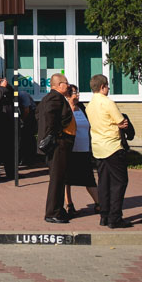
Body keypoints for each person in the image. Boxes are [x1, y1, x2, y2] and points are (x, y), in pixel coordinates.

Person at [86, 74, 131, 229]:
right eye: (107, 86)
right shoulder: (108, 102)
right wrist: (120, 124)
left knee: (103, 182)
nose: (108, 89)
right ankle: (115, 217)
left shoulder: (89, 105)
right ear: (102, 87)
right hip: (112, 146)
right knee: (119, 182)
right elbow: (121, 122)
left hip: (98, 147)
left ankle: (104, 216)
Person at [37, 73, 76, 223]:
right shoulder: (55, 98)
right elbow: (49, 118)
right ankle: (52, 213)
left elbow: (38, 115)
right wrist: (55, 133)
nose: (68, 85)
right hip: (58, 144)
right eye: (66, 83)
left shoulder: (49, 98)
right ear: (59, 85)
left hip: (60, 143)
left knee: (60, 178)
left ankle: (58, 210)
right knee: (57, 179)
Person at [65, 84, 99, 216]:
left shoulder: (82, 107)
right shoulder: (65, 108)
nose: (77, 95)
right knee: (67, 179)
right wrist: (71, 107)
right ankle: (69, 204)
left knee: (89, 178)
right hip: (70, 149)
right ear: (68, 95)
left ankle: (99, 203)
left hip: (84, 149)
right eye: (74, 93)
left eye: (77, 92)